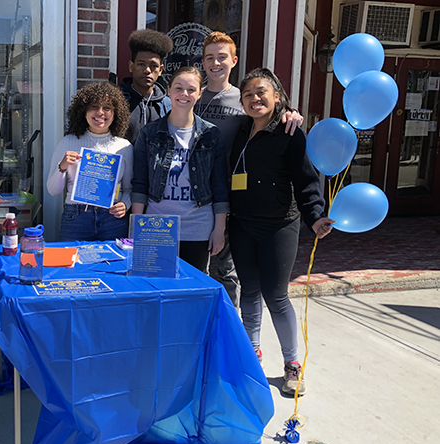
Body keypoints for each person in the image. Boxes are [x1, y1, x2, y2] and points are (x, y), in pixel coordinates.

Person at [228, 68, 334, 396]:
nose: (255, 99)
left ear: (277, 96)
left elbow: (305, 179)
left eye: (262, 92)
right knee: (249, 289)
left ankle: (292, 365)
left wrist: (315, 215)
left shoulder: (290, 132)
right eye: (248, 94)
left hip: (279, 226)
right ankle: (253, 354)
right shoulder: (240, 129)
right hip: (242, 224)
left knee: (276, 295)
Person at [195, 31, 304, 309]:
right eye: (210, 58)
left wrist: (289, 113)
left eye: (222, 57)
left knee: (228, 269)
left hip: (232, 197)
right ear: (203, 62)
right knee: (198, 266)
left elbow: (269, 115)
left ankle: (233, 329)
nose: (215, 63)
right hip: (195, 196)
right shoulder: (192, 96)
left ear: (234, 60)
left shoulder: (244, 98)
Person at [131, 66, 229, 273]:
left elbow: (220, 186)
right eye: (179, 88)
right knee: (156, 288)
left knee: (191, 293)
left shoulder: (211, 135)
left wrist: (219, 229)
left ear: (200, 93)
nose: (184, 94)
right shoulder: (149, 133)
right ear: (168, 90)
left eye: (191, 89)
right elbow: (140, 184)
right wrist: (136, 228)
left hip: (198, 228)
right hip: (155, 227)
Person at [47, 81, 133, 242]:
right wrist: (62, 166)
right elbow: (53, 190)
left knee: (112, 266)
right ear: (84, 112)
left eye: (107, 108)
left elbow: (129, 188)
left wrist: (125, 204)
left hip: (112, 219)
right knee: (69, 264)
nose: (100, 113)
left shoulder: (124, 147)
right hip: (76, 218)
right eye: (94, 107)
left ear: (115, 113)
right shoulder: (68, 142)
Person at [120, 29, 174, 144]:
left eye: (153, 65)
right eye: (141, 64)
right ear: (131, 66)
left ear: (161, 70)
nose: (147, 70)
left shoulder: (168, 105)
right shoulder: (117, 101)